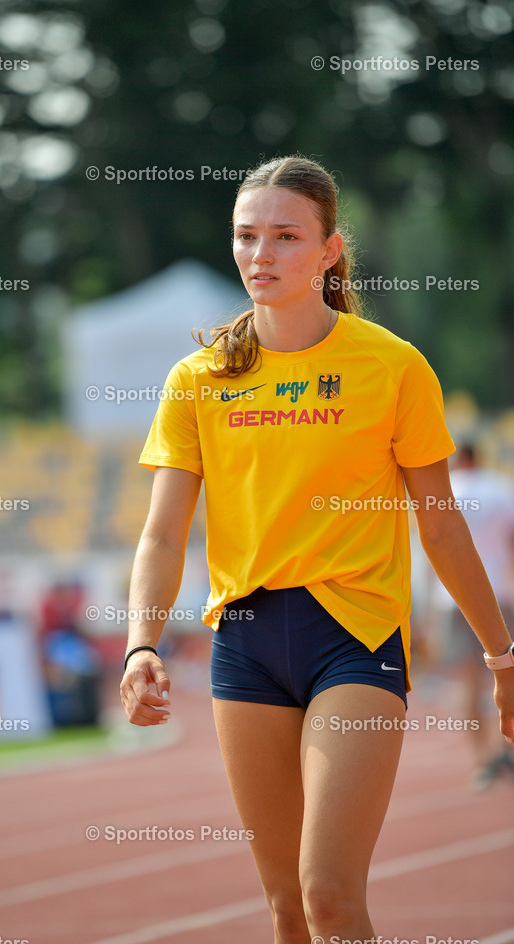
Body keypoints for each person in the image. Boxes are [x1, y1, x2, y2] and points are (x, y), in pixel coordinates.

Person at [118, 156, 514, 943]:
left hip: (354, 638)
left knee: (328, 892)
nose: (260, 255)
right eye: (245, 236)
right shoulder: (198, 380)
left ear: (330, 251)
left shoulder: (392, 367)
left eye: (285, 237)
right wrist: (139, 647)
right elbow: (162, 535)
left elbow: (438, 524)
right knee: (285, 910)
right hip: (245, 646)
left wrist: (502, 658)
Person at [428, 442, 514, 788]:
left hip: (452, 600)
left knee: (467, 683)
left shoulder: (447, 491)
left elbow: (432, 546)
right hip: (501, 596)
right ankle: (506, 748)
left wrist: (428, 612)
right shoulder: (501, 488)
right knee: (509, 676)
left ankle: (483, 759)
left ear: (457, 459)